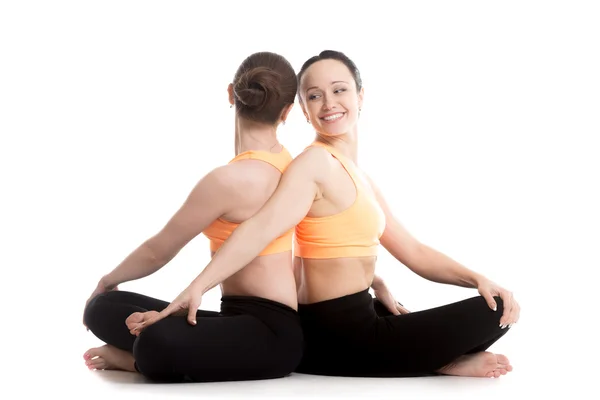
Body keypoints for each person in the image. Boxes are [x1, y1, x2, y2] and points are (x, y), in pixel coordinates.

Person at [135, 50, 520, 379]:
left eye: (339, 90)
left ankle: (435, 359)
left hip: (361, 315)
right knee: (494, 314)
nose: (329, 103)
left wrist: (476, 278)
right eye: (314, 96)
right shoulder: (313, 164)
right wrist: (197, 287)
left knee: (498, 303)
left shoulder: (357, 174)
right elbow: (261, 228)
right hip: (339, 332)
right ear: (302, 109)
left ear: (360, 96)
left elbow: (414, 251)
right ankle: (438, 363)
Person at [82, 51, 306, 383]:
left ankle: (137, 361)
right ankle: (170, 346)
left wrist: (106, 281)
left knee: (125, 323)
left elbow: (159, 249)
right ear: (288, 111)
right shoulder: (293, 165)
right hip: (241, 322)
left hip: (272, 339)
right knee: (107, 308)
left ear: (231, 93)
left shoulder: (227, 180)